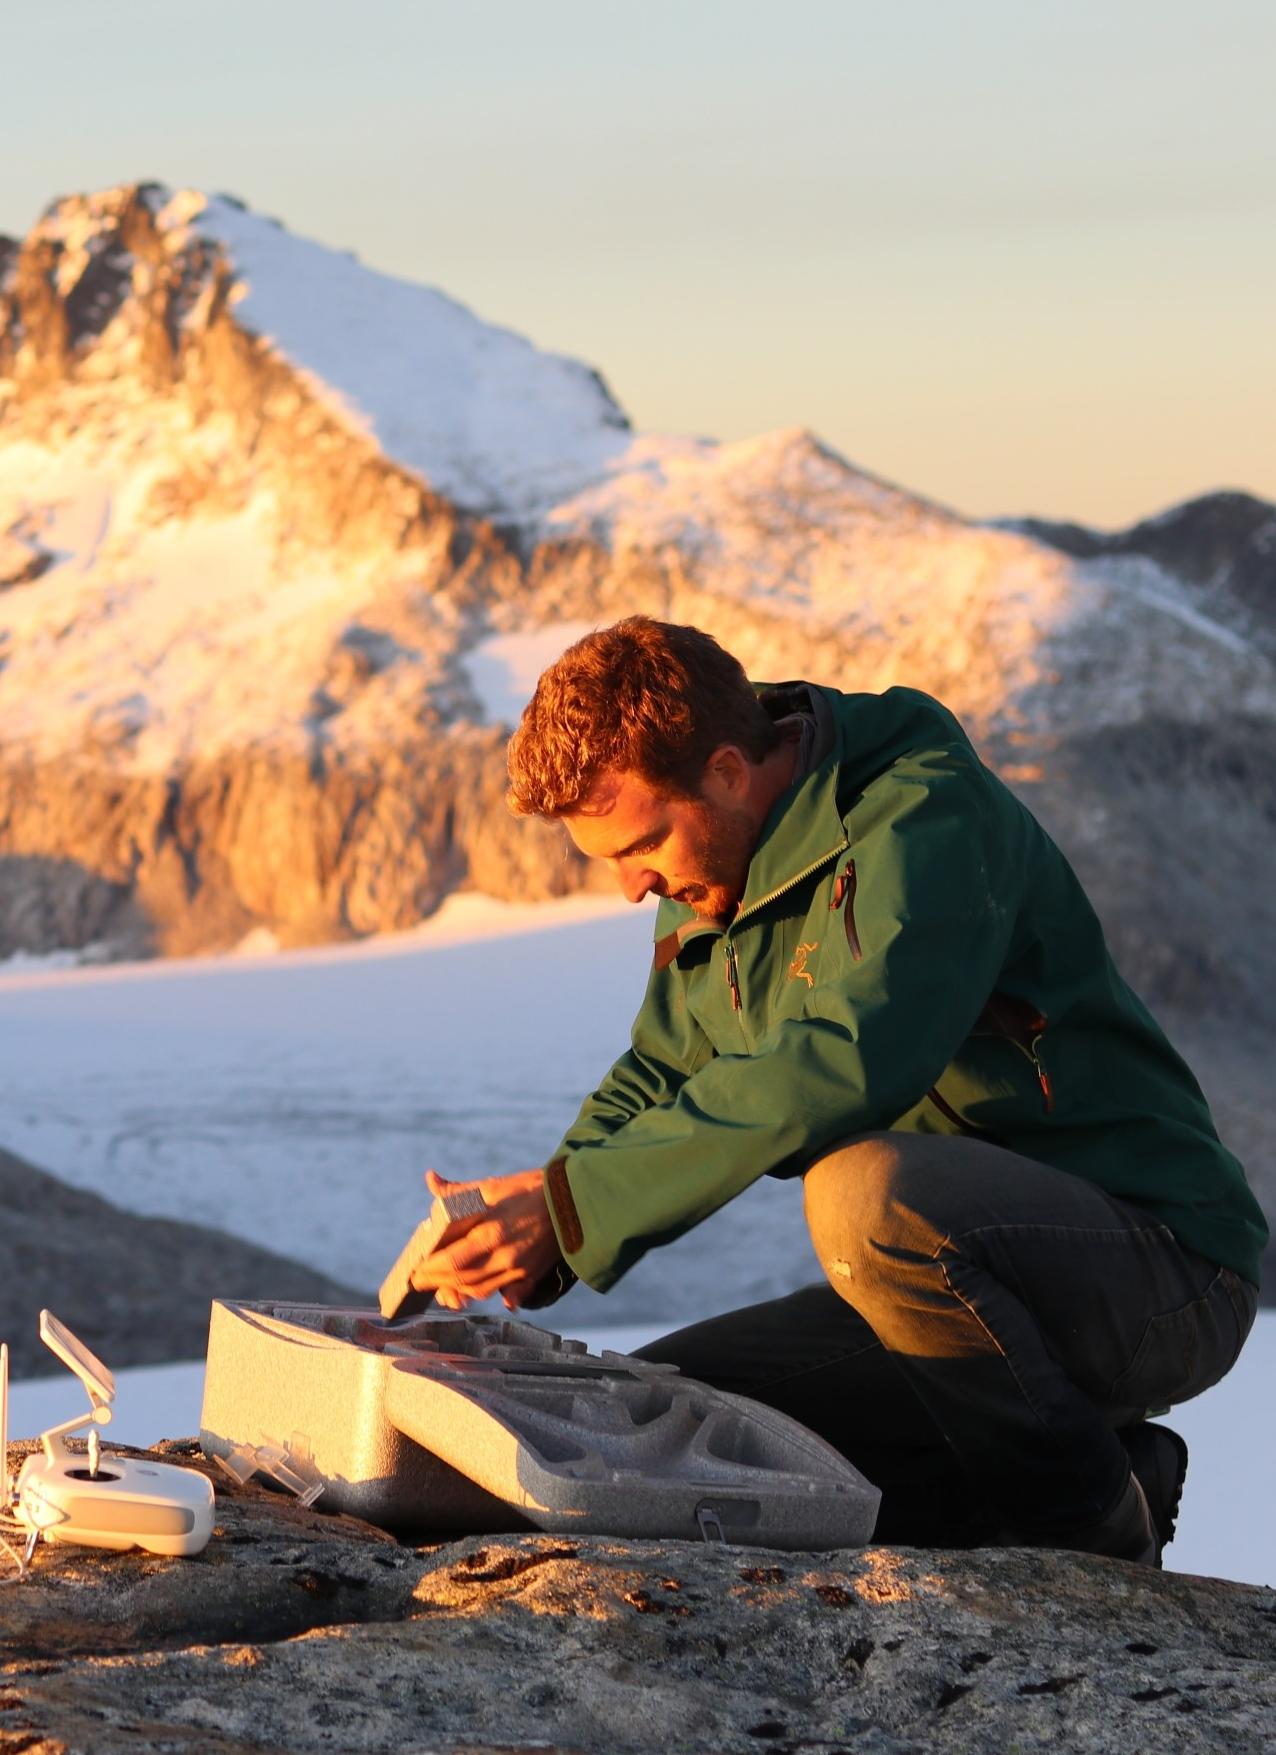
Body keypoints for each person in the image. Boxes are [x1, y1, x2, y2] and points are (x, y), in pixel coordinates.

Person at [410, 616, 1266, 1563]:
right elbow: (663, 1066)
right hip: (964, 1287)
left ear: (727, 772)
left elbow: (846, 1056)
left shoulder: (926, 815)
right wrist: (543, 1211)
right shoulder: (712, 869)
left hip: (1161, 1269)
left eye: (641, 843)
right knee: (661, 1420)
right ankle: (1087, 1477)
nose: (628, 887)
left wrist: (577, 1209)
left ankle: (1092, 1533)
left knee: (863, 1195)